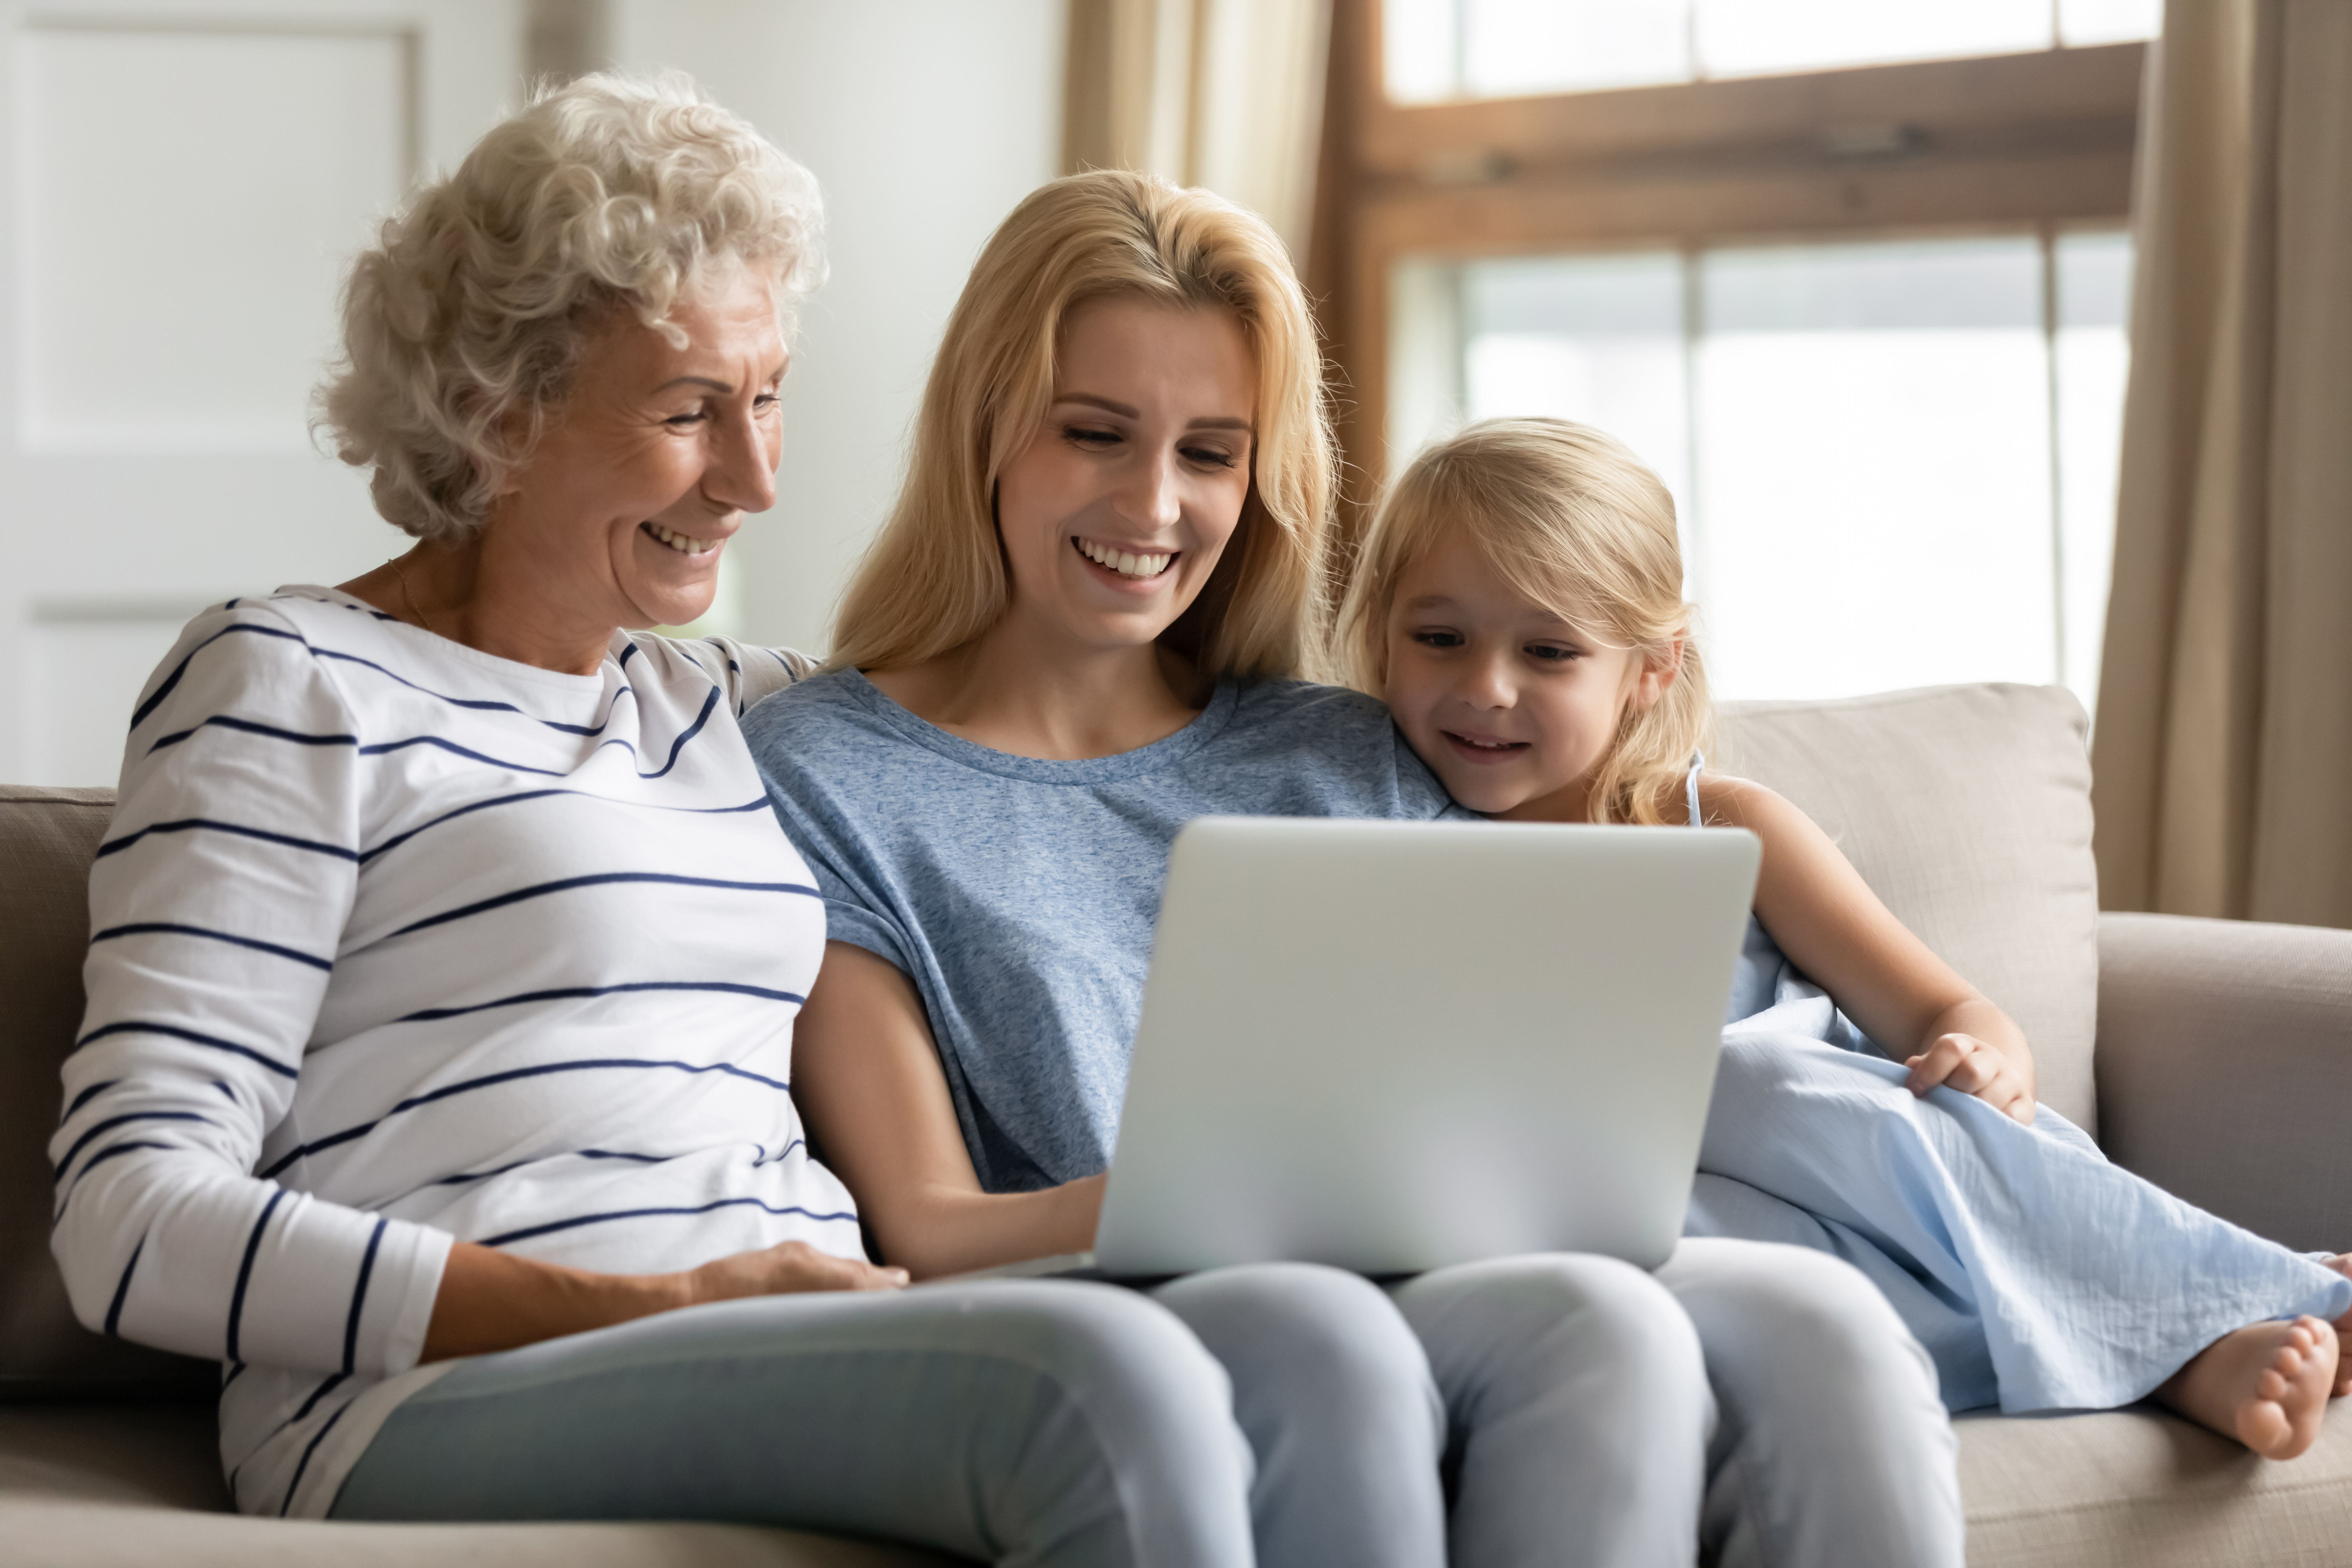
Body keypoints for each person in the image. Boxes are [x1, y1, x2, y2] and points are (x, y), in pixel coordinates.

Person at [45, 72, 1413, 1566]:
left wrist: (1692, 797)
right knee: (1114, 1386)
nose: (757, 478)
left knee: (1312, 1337)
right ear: (502, 406)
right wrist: (659, 1306)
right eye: (693, 411)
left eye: (768, 400)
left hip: (804, 1326)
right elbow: (131, 1217)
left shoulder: (738, 706)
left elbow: (1041, 741)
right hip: (441, 1388)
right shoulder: (292, 680)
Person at [750, 168, 1966, 1567]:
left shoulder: (1353, 749)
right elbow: (930, 1223)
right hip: (1170, 1302)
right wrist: (1246, 1184)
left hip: (1453, 1261)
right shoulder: (827, 769)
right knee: (1601, 1332)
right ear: (988, 433)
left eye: (1211, 452)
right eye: (1095, 433)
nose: (1156, 502)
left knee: (1830, 1324)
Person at [1334, 414, 2352, 1460]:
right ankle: (2175, 1346)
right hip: (1669, 1206)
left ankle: (2223, 1311)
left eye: (1548, 652)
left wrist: (1982, 1059)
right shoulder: (1369, 830)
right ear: (1379, 632)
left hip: (1828, 1139)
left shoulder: (1721, 824)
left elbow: (1950, 1010)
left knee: (1814, 1098)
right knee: (1761, 1275)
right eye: (1440, 637)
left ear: (1649, 668)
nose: (1486, 687)